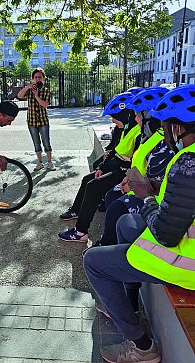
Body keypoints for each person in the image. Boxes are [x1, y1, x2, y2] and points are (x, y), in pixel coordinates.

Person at [83, 85, 195, 363]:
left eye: (166, 125)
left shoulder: (188, 162)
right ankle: (128, 305)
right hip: (184, 249)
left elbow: (166, 235)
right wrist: (154, 186)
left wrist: (145, 197)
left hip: (186, 265)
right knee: (125, 222)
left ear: (177, 128)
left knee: (93, 261)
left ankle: (142, 347)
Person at [95, 87, 174, 247]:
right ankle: (111, 241)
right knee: (112, 196)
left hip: (153, 198)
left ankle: (108, 245)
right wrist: (127, 180)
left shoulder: (163, 143)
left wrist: (130, 183)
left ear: (148, 117)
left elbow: (155, 181)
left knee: (117, 206)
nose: (136, 120)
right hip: (138, 185)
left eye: (138, 116)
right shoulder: (150, 137)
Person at [58, 92, 141, 242]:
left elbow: (132, 161)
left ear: (124, 114)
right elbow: (113, 150)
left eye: (114, 116)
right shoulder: (124, 129)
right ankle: (76, 211)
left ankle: (80, 232)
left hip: (125, 173)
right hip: (117, 168)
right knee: (87, 180)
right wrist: (102, 167)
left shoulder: (138, 132)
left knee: (94, 186)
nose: (113, 120)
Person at [17, 67, 56, 171]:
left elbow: (45, 105)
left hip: (43, 121)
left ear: (43, 78)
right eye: (35, 77)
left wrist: (36, 96)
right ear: (33, 78)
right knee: (36, 143)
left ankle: (49, 162)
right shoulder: (30, 90)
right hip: (32, 121)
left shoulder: (46, 91)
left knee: (46, 142)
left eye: (40, 77)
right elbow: (19, 96)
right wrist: (27, 87)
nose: (38, 79)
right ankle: (39, 163)